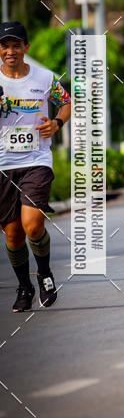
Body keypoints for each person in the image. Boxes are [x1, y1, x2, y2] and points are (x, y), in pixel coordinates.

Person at [0, 21, 71, 311]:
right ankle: (24, 286)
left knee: (32, 224)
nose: (10, 51)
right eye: (5, 46)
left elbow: (66, 102)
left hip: (36, 161)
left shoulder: (44, 78)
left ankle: (44, 274)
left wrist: (56, 122)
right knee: (13, 233)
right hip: (3, 165)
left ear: (25, 48)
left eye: (16, 45)